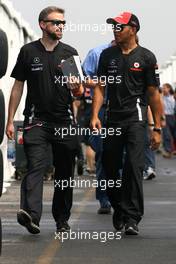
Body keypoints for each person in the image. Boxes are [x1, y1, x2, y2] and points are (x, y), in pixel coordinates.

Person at [6, 6, 83, 234]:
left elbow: (78, 93)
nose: (60, 26)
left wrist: (76, 87)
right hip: (36, 120)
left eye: (63, 23)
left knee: (64, 171)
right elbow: (18, 86)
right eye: (56, 22)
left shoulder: (69, 53)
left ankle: (62, 218)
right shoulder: (28, 51)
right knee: (35, 166)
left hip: (64, 121)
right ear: (43, 24)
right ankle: (31, 215)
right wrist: (10, 120)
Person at [91, 11, 162, 235]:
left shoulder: (147, 58)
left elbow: (153, 95)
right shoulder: (107, 56)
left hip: (136, 119)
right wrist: (94, 115)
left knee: (133, 167)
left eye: (120, 26)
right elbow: (100, 88)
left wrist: (157, 128)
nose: (115, 29)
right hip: (112, 118)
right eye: (114, 26)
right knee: (109, 168)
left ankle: (132, 218)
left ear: (133, 29)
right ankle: (119, 208)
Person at [82, 42, 116, 214]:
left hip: (123, 109)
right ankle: (104, 199)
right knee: (102, 153)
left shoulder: (134, 54)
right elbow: (83, 78)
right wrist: (101, 85)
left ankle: (121, 198)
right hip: (101, 107)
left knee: (124, 156)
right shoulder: (96, 53)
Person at [161, 83, 176, 158]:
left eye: (165, 88)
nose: (163, 89)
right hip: (165, 116)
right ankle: (168, 151)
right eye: (163, 88)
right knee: (166, 135)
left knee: (174, 134)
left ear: (169, 88)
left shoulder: (173, 97)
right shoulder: (161, 97)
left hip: (173, 116)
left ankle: (174, 150)